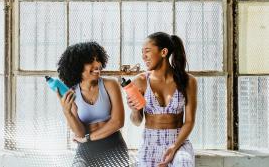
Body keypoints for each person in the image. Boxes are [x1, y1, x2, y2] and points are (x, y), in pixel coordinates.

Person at [127, 32, 197, 167]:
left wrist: (174, 146)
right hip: (150, 143)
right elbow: (137, 121)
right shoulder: (140, 81)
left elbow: (189, 121)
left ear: (163, 52)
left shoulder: (188, 81)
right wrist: (134, 110)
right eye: (142, 52)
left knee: (184, 162)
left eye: (147, 51)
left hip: (178, 141)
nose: (143, 56)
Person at [57, 42, 129, 167]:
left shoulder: (110, 85)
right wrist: (67, 112)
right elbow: (79, 133)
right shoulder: (72, 92)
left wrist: (88, 138)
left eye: (98, 60)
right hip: (86, 150)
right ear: (77, 66)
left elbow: (118, 122)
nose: (98, 65)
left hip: (114, 146)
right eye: (91, 61)